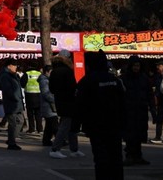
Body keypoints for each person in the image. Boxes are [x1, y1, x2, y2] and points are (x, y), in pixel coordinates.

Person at [76, 51, 125, 180]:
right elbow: (123, 102)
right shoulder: (115, 80)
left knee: (101, 159)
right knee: (116, 158)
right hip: (115, 125)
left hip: (96, 126)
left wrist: (80, 124)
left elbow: (80, 104)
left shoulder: (87, 81)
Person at [49, 50, 84, 159]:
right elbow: (72, 87)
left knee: (70, 125)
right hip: (69, 101)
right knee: (66, 125)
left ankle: (74, 149)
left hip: (61, 101)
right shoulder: (67, 71)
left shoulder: (54, 70)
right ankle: (56, 148)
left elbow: (52, 88)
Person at [122, 55, 152, 165]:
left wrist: (152, 109)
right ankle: (130, 155)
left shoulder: (144, 78)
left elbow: (149, 94)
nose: (136, 68)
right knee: (130, 135)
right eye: (134, 65)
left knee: (140, 134)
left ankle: (138, 156)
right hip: (129, 110)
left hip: (141, 110)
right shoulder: (124, 78)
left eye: (138, 65)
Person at [0, 58, 24, 150]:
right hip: (12, 103)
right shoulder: (5, 76)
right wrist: (15, 98)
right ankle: (11, 142)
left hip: (17, 102)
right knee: (13, 123)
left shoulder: (13, 75)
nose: (16, 67)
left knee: (20, 121)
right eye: (14, 66)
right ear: (9, 66)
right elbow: (7, 90)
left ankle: (11, 139)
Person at [38, 64, 57, 147]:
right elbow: (46, 94)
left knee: (50, 125)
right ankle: (60, 139)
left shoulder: (47, 80)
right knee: (53, 124)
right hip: (48, 106)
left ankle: (46, 140)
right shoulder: (44, 81)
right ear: (47, 72)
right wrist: (55, 100)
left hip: (49, 106)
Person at [22, 64, 43, 134]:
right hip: (39, 94)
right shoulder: (40, 74)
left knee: (30, 113)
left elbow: (22, 83)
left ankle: (31, 129)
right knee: (38, 113)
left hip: (29, 94)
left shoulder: (27, 74)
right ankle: (40, 129)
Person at [149, 60, 163, 144]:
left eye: (159, 66)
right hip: (161, 100)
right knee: (159, 119)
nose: (157, 67)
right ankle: (158, 137)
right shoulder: (158, 76)